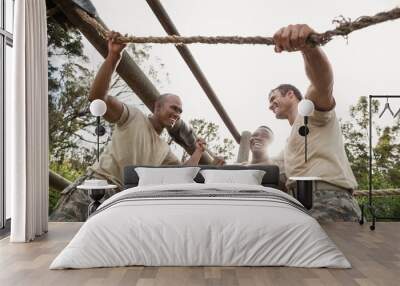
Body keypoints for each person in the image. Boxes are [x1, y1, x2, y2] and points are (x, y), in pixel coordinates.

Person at [50, 31, 210, 221]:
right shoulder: (133, 115)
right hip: (96, 187)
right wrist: (114, 57)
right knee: (60, 235)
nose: (177, 113)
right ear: (157, 107)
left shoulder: (163, 150)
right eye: (174, 108)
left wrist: (198, 152)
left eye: (180, 111)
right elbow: (97, 98)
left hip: (121, 202)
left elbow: (182, 173)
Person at [268, 24, 361, 222]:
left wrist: (308, 47)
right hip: (298, 205)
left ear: (291, 94)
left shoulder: (309, 110)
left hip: (328, 201)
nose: (270, 105)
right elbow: (267, 167)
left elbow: (322, 84)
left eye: (273, 98)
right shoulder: (291, 145)